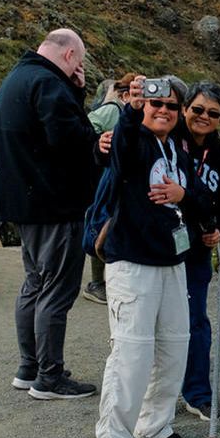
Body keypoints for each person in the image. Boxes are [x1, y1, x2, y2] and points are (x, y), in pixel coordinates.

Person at [93, 73, 210, 438]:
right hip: (133, 261)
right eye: (155, 103)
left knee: (175, 344)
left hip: (171, 260)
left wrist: (183, 196)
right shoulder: (131, 140)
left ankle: (154, 424)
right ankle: (115, 433)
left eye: (171, 106)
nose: (162, 110)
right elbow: (120, 154)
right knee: (132, 349)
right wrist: (129, 110)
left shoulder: (176, 149)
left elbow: (198, 199)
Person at [0, 29, 103, 400]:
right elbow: (72, 141)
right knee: (56, 289)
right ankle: (50, 377)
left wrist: (75, 91)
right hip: (54, 203)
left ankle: (30, 368)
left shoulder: (18, 77)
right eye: (80, 62)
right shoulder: (49, 84)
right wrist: (76, 98)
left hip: (24, 203)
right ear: (71, 55)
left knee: (34, 284)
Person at [178, 80, 220, 422]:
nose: (204, 117)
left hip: (197, 250)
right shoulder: (168, 141)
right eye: (198, 109)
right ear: (186, 108)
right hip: (157, 247)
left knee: (196, 321)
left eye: (212, 113)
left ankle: (197, 393)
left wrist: (217, 229)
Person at [82, 76, 134, 305]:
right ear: (125, 95)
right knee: (102, 222)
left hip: (106, 173)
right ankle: (97, 283)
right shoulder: (113, 110)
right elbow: (88, 126)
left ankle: (102, 282)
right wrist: (99, 142)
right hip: (100, 174)